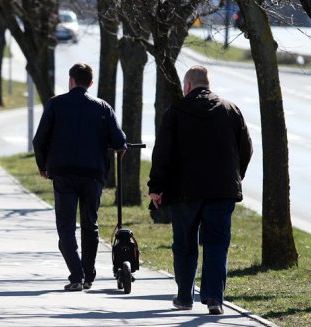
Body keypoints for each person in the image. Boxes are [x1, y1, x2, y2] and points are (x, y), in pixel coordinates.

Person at [148, 65, 253, 314]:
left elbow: (162, 153)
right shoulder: (230, 109)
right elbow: (246, 148)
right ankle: (214, 298)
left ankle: (184, 296)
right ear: (207, 84)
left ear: (187, 86)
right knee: (217, 244)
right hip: (221, 190)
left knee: (184, 243)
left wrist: (156, 187)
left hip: (184, 191)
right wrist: (236, 176)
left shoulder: (175, 111)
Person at [33, 63, 126, 292]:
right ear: (91, 83)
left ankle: (76, 273)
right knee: (90, 224)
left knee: (65, 226)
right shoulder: (103, 107)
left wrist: (43, 166)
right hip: (92, 174)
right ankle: (89, 275)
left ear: (71, 80)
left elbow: (39, 140)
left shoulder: (56, 104)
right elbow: (118, 140)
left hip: (63, 173)